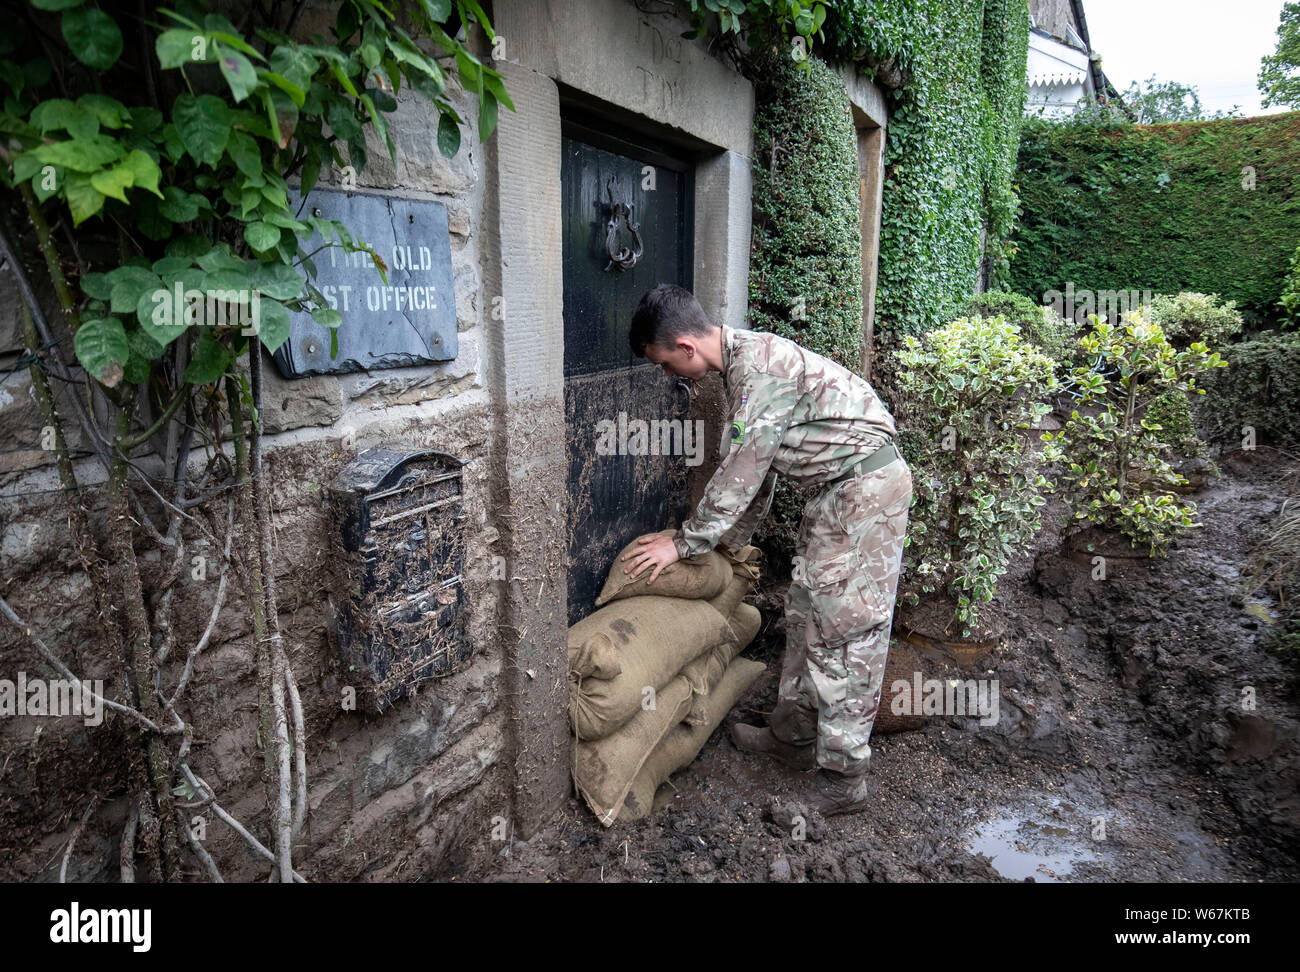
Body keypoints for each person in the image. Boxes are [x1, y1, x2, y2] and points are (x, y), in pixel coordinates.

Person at [622, 283, 911, 815]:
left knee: (843, 633)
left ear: (686, 347)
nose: (668, 376)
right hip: (837, 497)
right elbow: (762, 473)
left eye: (665, 364)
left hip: (862, 495)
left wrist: (686, 543)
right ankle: (793, 736)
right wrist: (729, 545)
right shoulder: (744, 367)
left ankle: (844, 779)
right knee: (805, 617)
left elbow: (738, 474)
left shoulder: (759, 372)